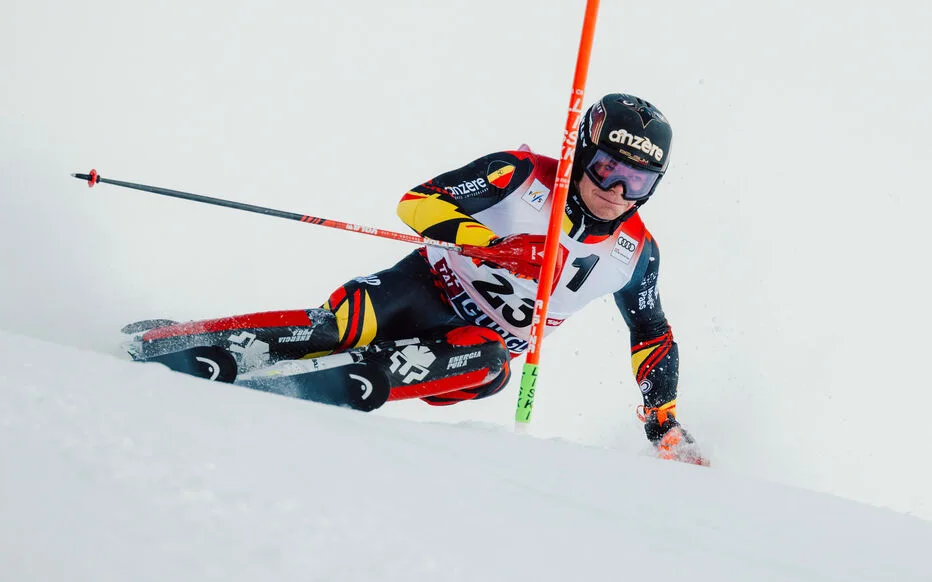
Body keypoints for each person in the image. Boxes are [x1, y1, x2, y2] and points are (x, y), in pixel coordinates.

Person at [124, 93, 706, 465]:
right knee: (347, 322)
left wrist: (663, 422)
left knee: (488, 359)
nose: (615, 191)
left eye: (637, 180)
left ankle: (344, 383)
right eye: (607, 168)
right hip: (424, 289)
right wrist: (494, 245)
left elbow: (651, 335)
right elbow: (418, 204)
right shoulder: (525, 176)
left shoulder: (636, 254)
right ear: (584, 152)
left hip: (473, 354)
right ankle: (192, 339)